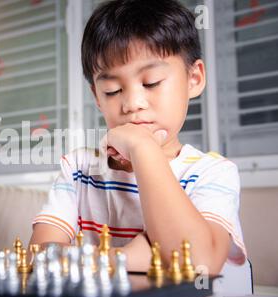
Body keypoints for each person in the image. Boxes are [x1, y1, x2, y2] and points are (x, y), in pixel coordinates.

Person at [29, 0, 246, 278]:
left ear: (194, 79)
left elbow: (198, 262)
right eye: (112, 90)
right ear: (97, 97)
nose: (132, 103)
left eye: (151, 82)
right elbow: (41, 255)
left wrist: (143, 148)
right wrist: (140, 253)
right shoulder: (78, 169)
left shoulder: (213, 173)